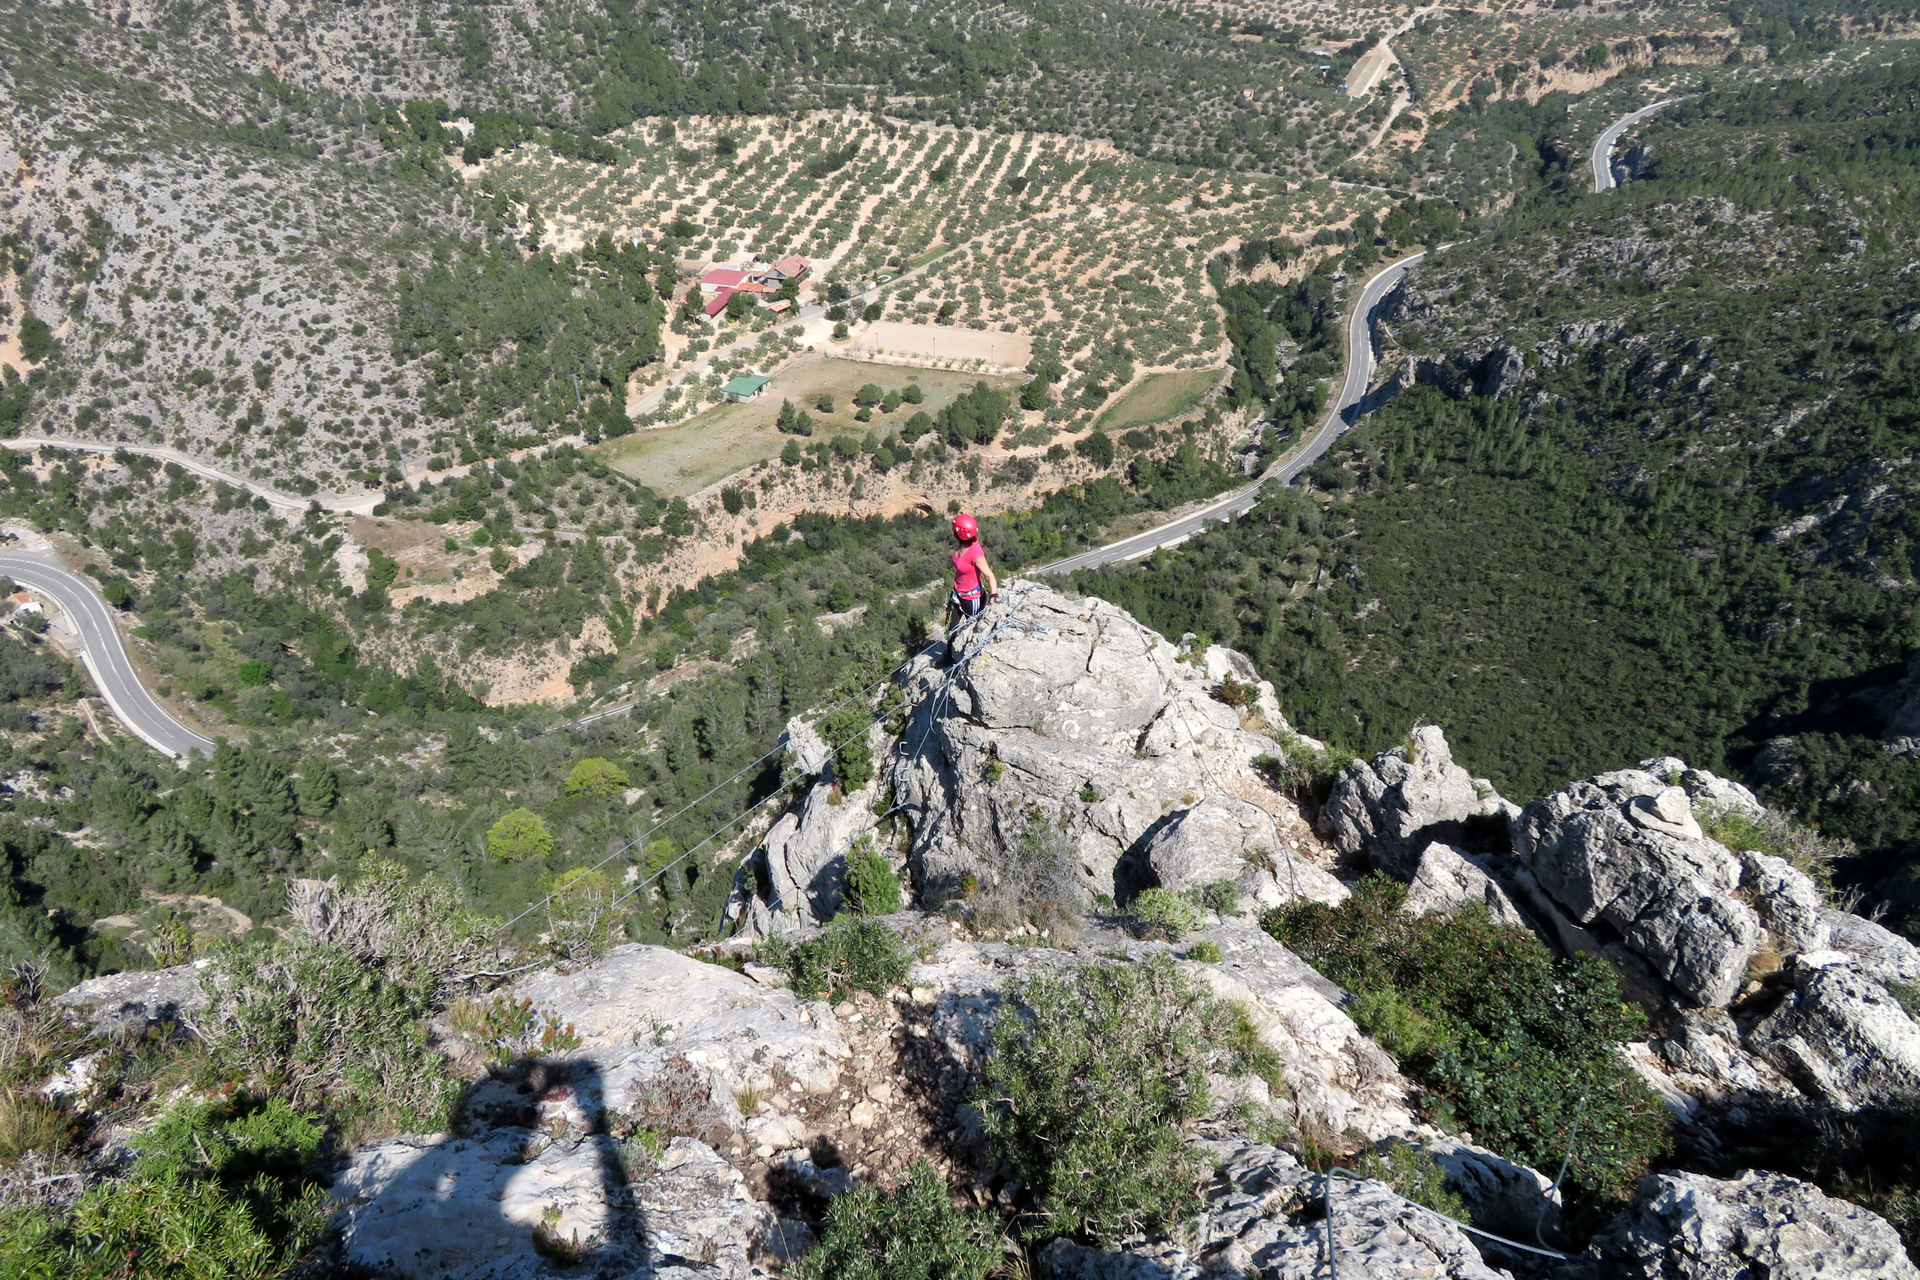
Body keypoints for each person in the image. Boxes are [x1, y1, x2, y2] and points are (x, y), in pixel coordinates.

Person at [942, 511, 997, 666]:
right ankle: (949, 656)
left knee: (974, 631)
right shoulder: (964, 544)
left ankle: (973, 661)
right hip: (957, 594)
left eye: (955, 530)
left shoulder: (975, 554)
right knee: (950, 627)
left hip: (972, 599)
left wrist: (994, 595)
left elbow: (990, 576)